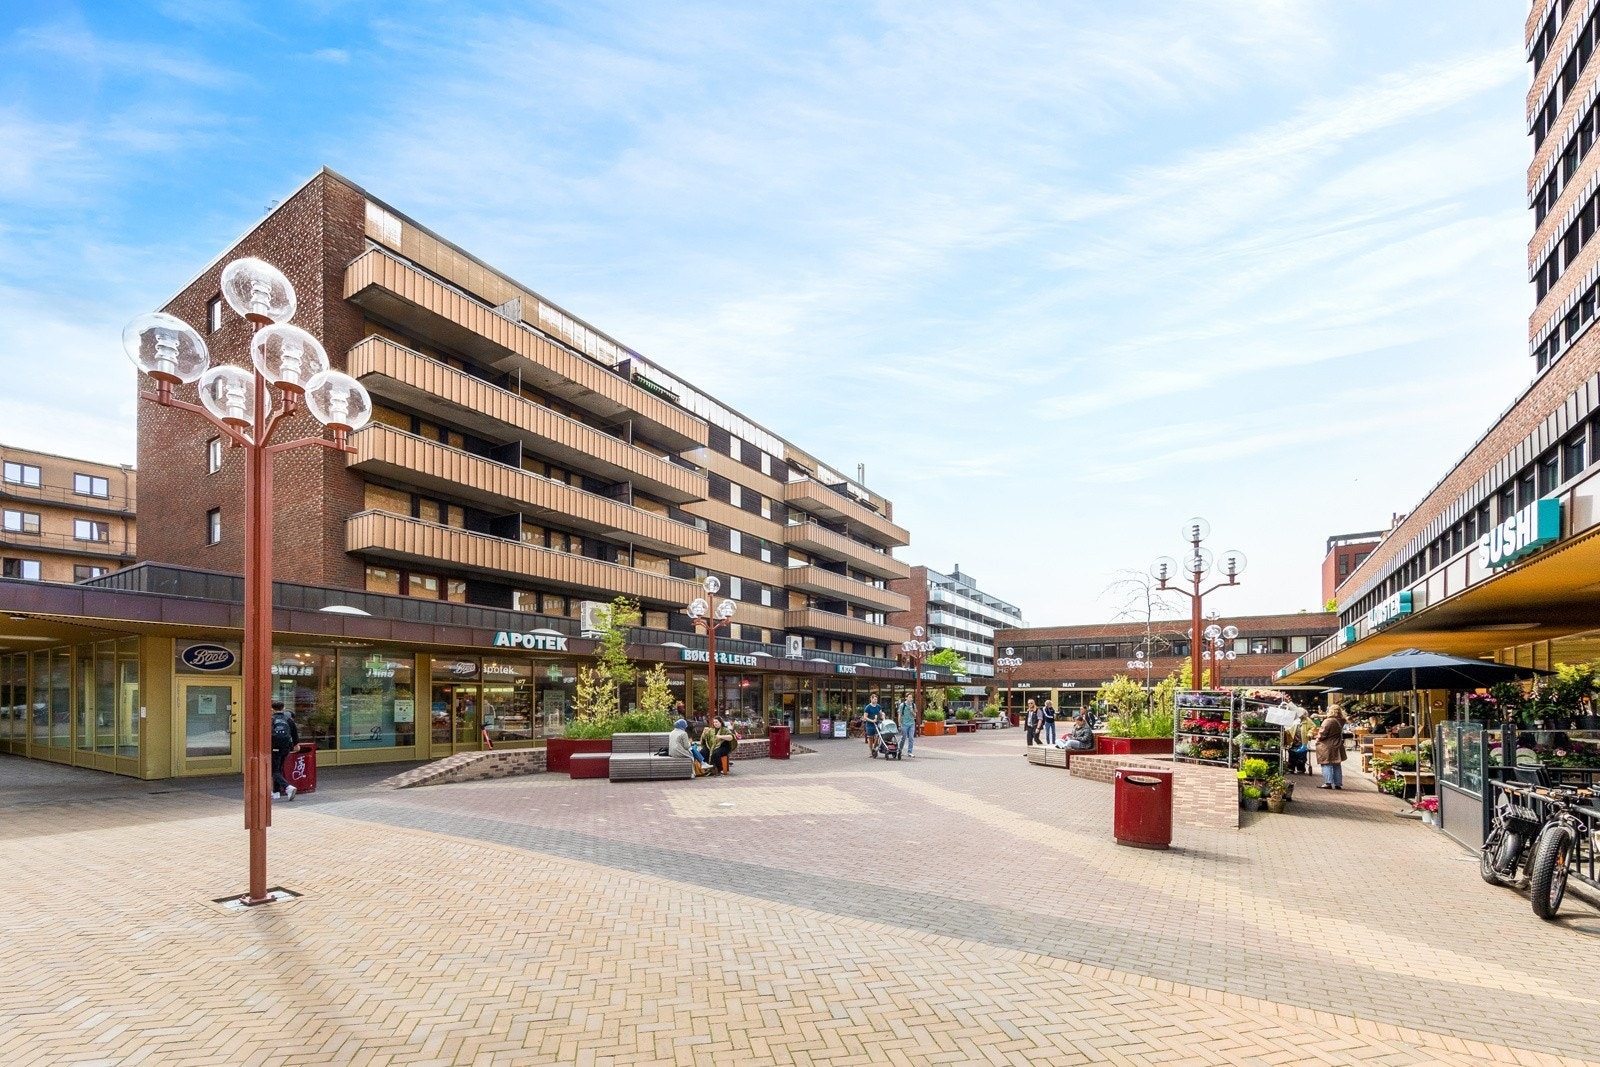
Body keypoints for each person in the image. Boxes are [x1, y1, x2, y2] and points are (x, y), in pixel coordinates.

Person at [270, 700, 299, 800]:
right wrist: (296, 744)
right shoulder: (288, 719)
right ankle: (276, 792)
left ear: (272, 709)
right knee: (278, 769)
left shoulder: (271, 719)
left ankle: (287, 787)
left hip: (275, 747)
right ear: (284, 708)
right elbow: (294, 733)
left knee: (274, 770)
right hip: (286, 747)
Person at [1316, 707, 1348, 789]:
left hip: (1327, 745)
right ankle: (1338, 784)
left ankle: (1328, 782)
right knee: (1337, 764)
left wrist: (1317, 739)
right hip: (1338, 744)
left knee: (1326, 763)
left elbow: (1322, 733)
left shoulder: (1328, 721)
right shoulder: (1341, 720)